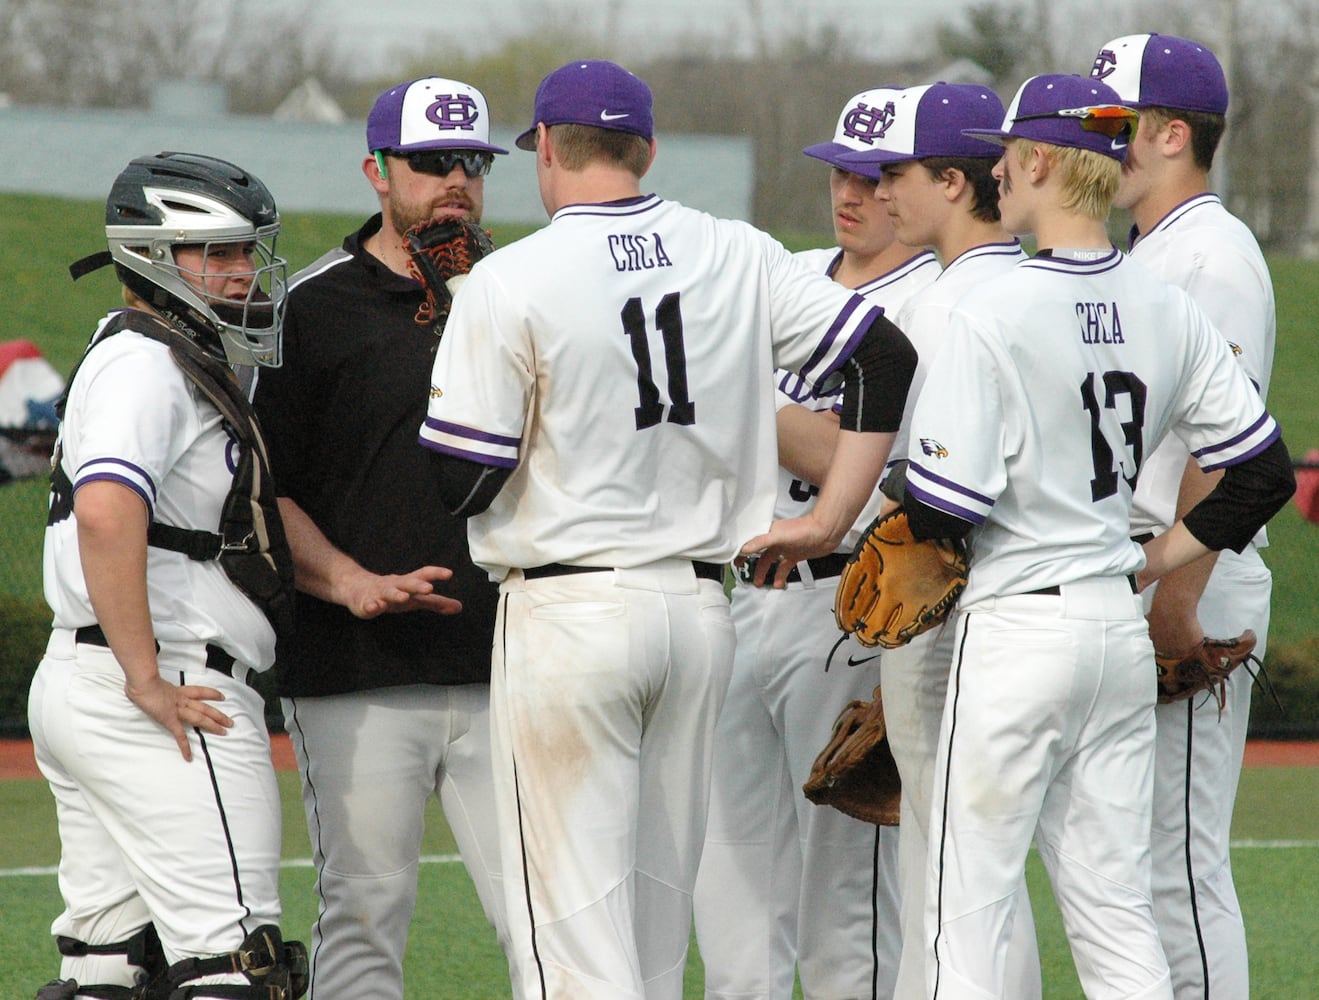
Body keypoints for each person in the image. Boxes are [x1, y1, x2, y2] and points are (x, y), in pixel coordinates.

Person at [418, 59, 919, 1000]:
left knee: (570, 928)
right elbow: (884, 359)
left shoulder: (511, 275)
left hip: (569, 612)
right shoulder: (739, 250)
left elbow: (462, 480)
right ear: (646, 150)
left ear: (548, 152)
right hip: (696, 613)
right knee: (655, 913)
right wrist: (828, 521)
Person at [885, 73, 1295, 999]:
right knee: (1114, 909)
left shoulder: (991, 307)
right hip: (1111, 627)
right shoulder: (1160, 303)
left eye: (1004, 153)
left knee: (967, 902)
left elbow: (945, 511)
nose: (995, 167)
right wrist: (1153, 560)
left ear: (1034, 160)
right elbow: (1262, 474)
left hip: (1016, 630)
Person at [248, 76, 510, 1000]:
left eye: (472, 162)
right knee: (363, 915)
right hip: (356, 663)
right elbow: (257, 483)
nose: (456, 181)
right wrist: (349, 580)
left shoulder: (515, 294)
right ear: (375, 172)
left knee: (539, 917)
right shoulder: (308, 309)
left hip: (505, 661)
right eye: (430, 161)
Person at [29, 151, 305, 999]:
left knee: (106, 968)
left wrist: (355, 581)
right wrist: (147, 678)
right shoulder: (147, 362)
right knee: (236, 965)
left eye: (241, 252)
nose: (239, 272)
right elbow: (109, 513)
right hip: (167, 689)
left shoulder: (153, 355)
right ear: (154, 254)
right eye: (214, 253)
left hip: (94, 679)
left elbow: (220, 522)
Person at [692, 86, 939, 1000]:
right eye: (841, 171)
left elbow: (869, 466)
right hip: (742, 594)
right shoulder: (787, 271)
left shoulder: (936, 295)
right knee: (731, 872)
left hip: (854, 601)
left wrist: (743, 402)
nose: (852, 192)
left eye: (877, 177)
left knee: (847, 891)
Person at [837, 81, 1042, 1000]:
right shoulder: (1036, 284)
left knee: (950, 863)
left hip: (953, 608)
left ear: (954, 182)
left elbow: (917, 488)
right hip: (1047, 603)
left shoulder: (946, 305)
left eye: (898, 174)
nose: (880, 194)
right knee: (994, 866)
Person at [1088, 34, 1275, 998]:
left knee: (1177, 869)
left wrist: (1178, 595)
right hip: (1150, 566)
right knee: (1125, 864)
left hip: (1192, 571)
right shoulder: (1150, 251)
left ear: (1170, 133)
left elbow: (1226, 447)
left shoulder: (1212, 255)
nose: (1095, 139)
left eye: (1112, 124)